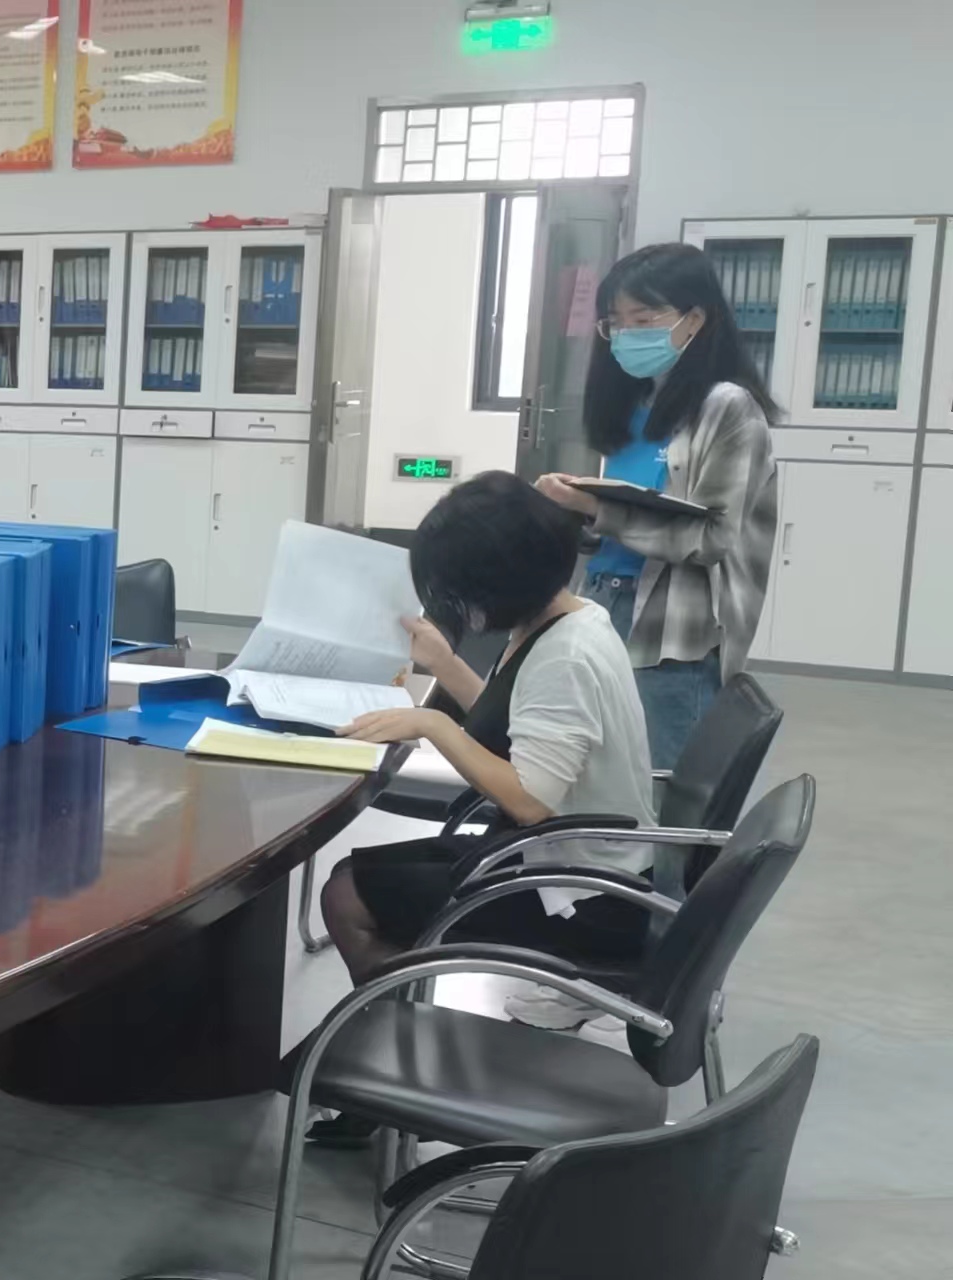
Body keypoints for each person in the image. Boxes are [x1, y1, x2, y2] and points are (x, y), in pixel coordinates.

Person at [322, 472, 656, 1030]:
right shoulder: (571, 618)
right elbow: (521, 726)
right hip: (560, 862)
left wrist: (433, 723)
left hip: (579, 897)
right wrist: (445, 664)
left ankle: (392, 1041)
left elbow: (529, 800)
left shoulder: (564, 657)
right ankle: (400, 1020)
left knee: (347, 897)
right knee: (351, 877)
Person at [533, 242, 779, 768]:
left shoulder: (727, 408)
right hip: (601, 599)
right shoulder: (636, 402)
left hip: (675, 630)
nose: (626, 334)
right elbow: (624, 518)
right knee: (598, 771)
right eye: (615, 322)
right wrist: (576, 511)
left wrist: (599, 509)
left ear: (695, 320)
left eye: (643, 319)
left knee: (661, 783)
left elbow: (712, 538)